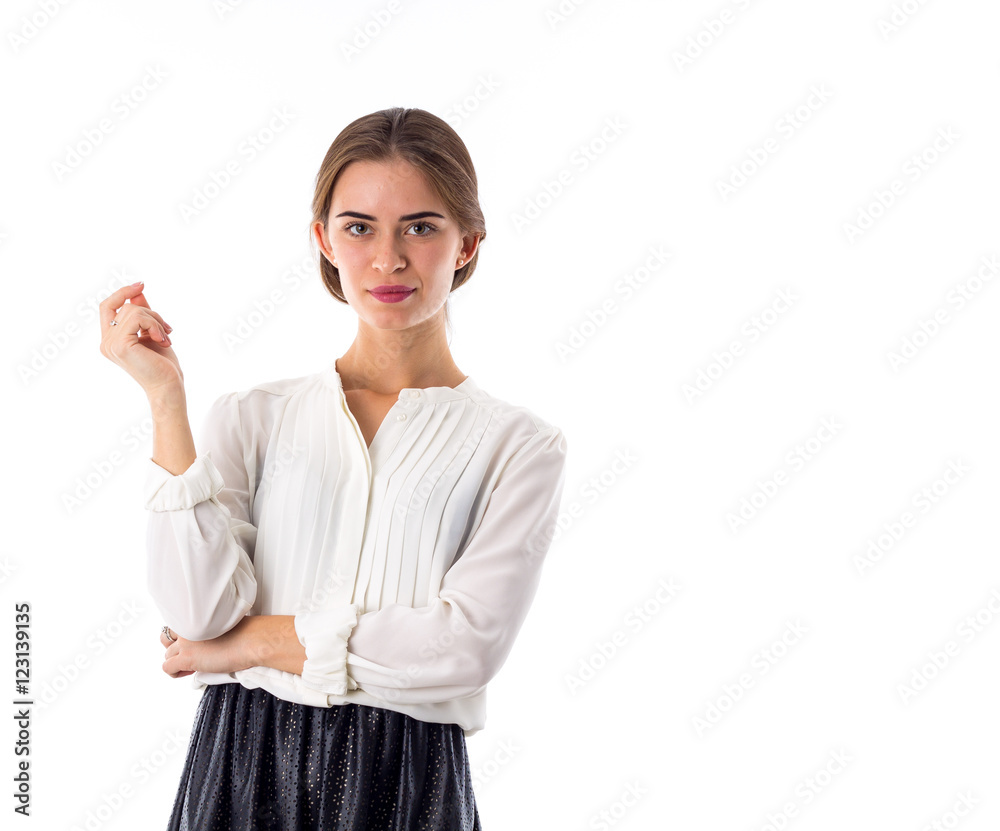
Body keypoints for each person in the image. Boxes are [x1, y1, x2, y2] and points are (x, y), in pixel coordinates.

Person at [98, 106, 568, 830]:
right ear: (323, 239)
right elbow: (195, 612)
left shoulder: (519, 445)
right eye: (359, 227)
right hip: (238, 764)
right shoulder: (254, 416)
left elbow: (461, 649)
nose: (388, 259)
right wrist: (167, 402)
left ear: (467, 243)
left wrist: (249, 643)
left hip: (409, 776)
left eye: (421, 226)